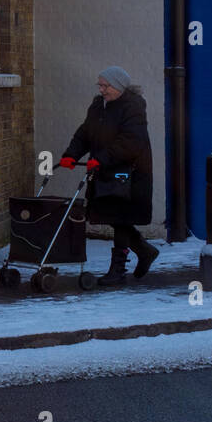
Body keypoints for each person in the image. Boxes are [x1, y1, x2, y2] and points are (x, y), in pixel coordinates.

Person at [58, 66, 158, 286]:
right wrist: (71, 155)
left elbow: (131, 141)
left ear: (119, 86)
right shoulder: (98, 106)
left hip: (129, 173)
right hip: (105, 169)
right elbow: (85, 132)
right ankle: (144, 251)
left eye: (106, 86)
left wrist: (101, 159)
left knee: (119, 218)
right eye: (100, 85)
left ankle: (118, 270)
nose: (102, 90)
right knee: (114, 217)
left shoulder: (133, 107)